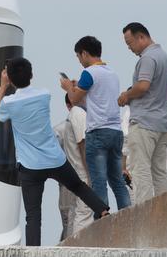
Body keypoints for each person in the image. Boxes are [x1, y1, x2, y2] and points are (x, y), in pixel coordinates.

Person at [0, 57, 108, 245]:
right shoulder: (44, 95)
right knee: (78, 186)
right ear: (31, 75)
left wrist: (2, 86)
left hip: (30, 166)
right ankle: (103, 210)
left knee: (33, 216)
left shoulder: (9, 103)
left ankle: (34, 252)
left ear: (11, 79)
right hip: (55, 159)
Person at [61, 36, 131, 211]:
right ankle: (127, 215)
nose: (79, 61)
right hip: (115, 132)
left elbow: (75, 99)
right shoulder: (112, 73)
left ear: (84, 53)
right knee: (117, 180)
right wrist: (78, 86)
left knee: (98, 181)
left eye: (78, 56)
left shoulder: (89, 73)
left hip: (98, 132)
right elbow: (96, 97)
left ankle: (102, 221)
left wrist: (68, 87)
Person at [118, 22, 167, 204]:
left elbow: (143, 85)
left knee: (140, 170)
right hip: (163, 124)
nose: (129, 48)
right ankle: (165, 210)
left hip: (144, 123)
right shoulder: (166, 57)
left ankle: (144, 213)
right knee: (159, 172)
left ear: (141, 37)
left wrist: (127, 95)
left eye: (130, 43)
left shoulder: (148, 58)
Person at [54, 94, 93, 240]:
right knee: (72, 219)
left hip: (67, 182)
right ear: (69, 106)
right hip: (74, 181)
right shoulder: (62, 129)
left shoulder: (58, 129)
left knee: (70, 220)